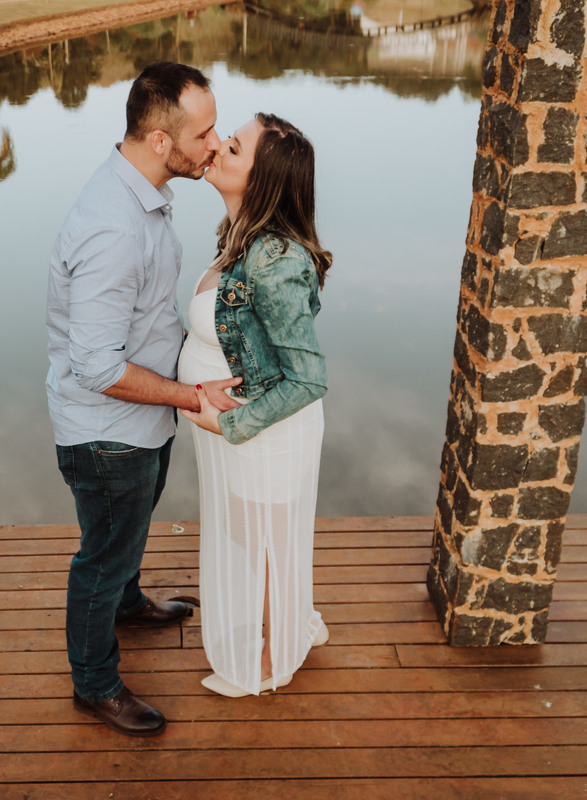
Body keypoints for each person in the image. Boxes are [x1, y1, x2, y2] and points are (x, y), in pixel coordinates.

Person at [45, 62, 242, 737]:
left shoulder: (143, 194)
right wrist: (190, 395)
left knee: (125, 538)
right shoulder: (113, 230)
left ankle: (127, 603)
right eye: (204, 133)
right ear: (161, 141)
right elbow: (97, 366)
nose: (215, 143)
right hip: (109, 433)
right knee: (101, 558)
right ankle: (95, 684)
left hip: (142, 420)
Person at [178, 113, 332, 697]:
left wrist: (231, 423)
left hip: (262, 431)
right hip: (238, 427)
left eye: (234, 147)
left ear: (262, 179)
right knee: (254, 533)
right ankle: (300, 618)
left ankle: (277, 651)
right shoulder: (237, 235)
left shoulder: (276, 260)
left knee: (266, 542)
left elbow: (308, 379)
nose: (218, 145)